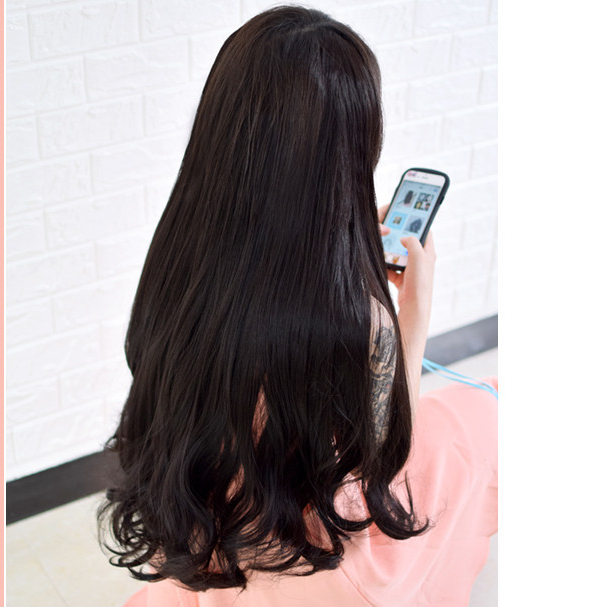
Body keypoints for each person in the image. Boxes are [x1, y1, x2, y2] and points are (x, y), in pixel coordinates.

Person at [98, 6, 497, 606]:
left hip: (205, 527)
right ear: (348, 155)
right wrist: (411, 315)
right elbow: (387, 458)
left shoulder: (177, 264)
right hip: (313, 563)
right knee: (487, 413)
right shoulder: (359, 323)